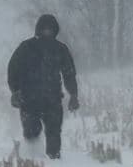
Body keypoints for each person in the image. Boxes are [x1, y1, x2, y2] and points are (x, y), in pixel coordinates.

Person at [7, 14, 79, 161]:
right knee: (31, 133)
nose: (47, 32)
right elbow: (13, 69)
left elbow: (69, 74)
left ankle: (54, 161)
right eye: (44, 29)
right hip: (29, 100)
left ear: (55, 31)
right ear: (38, 30)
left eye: (50, 29)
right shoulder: (26, 47)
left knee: (54, 133)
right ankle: (33, 160)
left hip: (53, 100)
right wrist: (15, 92)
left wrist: (74, 95)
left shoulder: (60, 49)